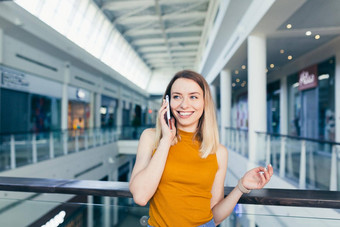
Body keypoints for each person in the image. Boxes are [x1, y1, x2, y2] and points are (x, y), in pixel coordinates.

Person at [129, 70, 273, 227]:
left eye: (193, 97)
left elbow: (215, 216)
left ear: (205, 102)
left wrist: (241, 187)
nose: (184, 104)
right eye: (177, 96)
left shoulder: (218, 152)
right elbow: (141, 197)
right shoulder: (151, 138)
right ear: (167, 103)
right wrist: (166, 140)